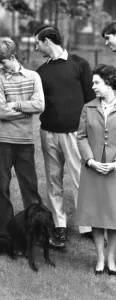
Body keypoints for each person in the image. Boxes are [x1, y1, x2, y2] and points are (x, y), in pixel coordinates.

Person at [34, 26, 95, 247]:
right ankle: (59, 225)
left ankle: (87, 225)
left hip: (74, 135)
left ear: (48, 41)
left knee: (80, 178)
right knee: (53, 180)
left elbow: (91, 100)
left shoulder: (80, 64)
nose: (36, 47)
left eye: (38, 43)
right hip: (48, 133)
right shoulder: (41, 72)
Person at [0, 38, 45, 253]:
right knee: (2, 189)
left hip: (24, 142)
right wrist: (26, 110)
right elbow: (1, 112)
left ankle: (34, 232)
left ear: (13, 57)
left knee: (30, 188)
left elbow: (40, 105)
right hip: (1, 142)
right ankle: (7, 234)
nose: (0, 66)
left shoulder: (33, 77)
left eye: (3, 62)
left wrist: (16, 104)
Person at [75, 64, 116, 276]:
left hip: (115, 172)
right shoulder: (88, 107)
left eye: (97, 82)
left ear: (109, 83)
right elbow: (80, 136)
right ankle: (100, 259)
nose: (93, 87)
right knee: (97, 216)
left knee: (114, 217)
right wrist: (90, 161)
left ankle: (112, 260)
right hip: (93, 170)